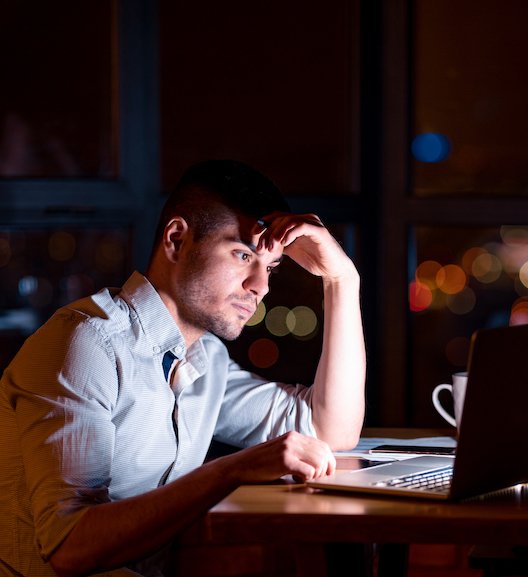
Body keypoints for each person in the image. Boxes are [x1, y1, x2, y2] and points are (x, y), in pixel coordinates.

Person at [0, 159, 366, 577]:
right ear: (176, 240)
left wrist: (342, 280)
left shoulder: (205, 358)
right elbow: (69, 547)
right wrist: (234, 469)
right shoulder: (86, 345)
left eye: (271, 268)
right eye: (243, 254)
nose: (260, 286)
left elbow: (331, 430)